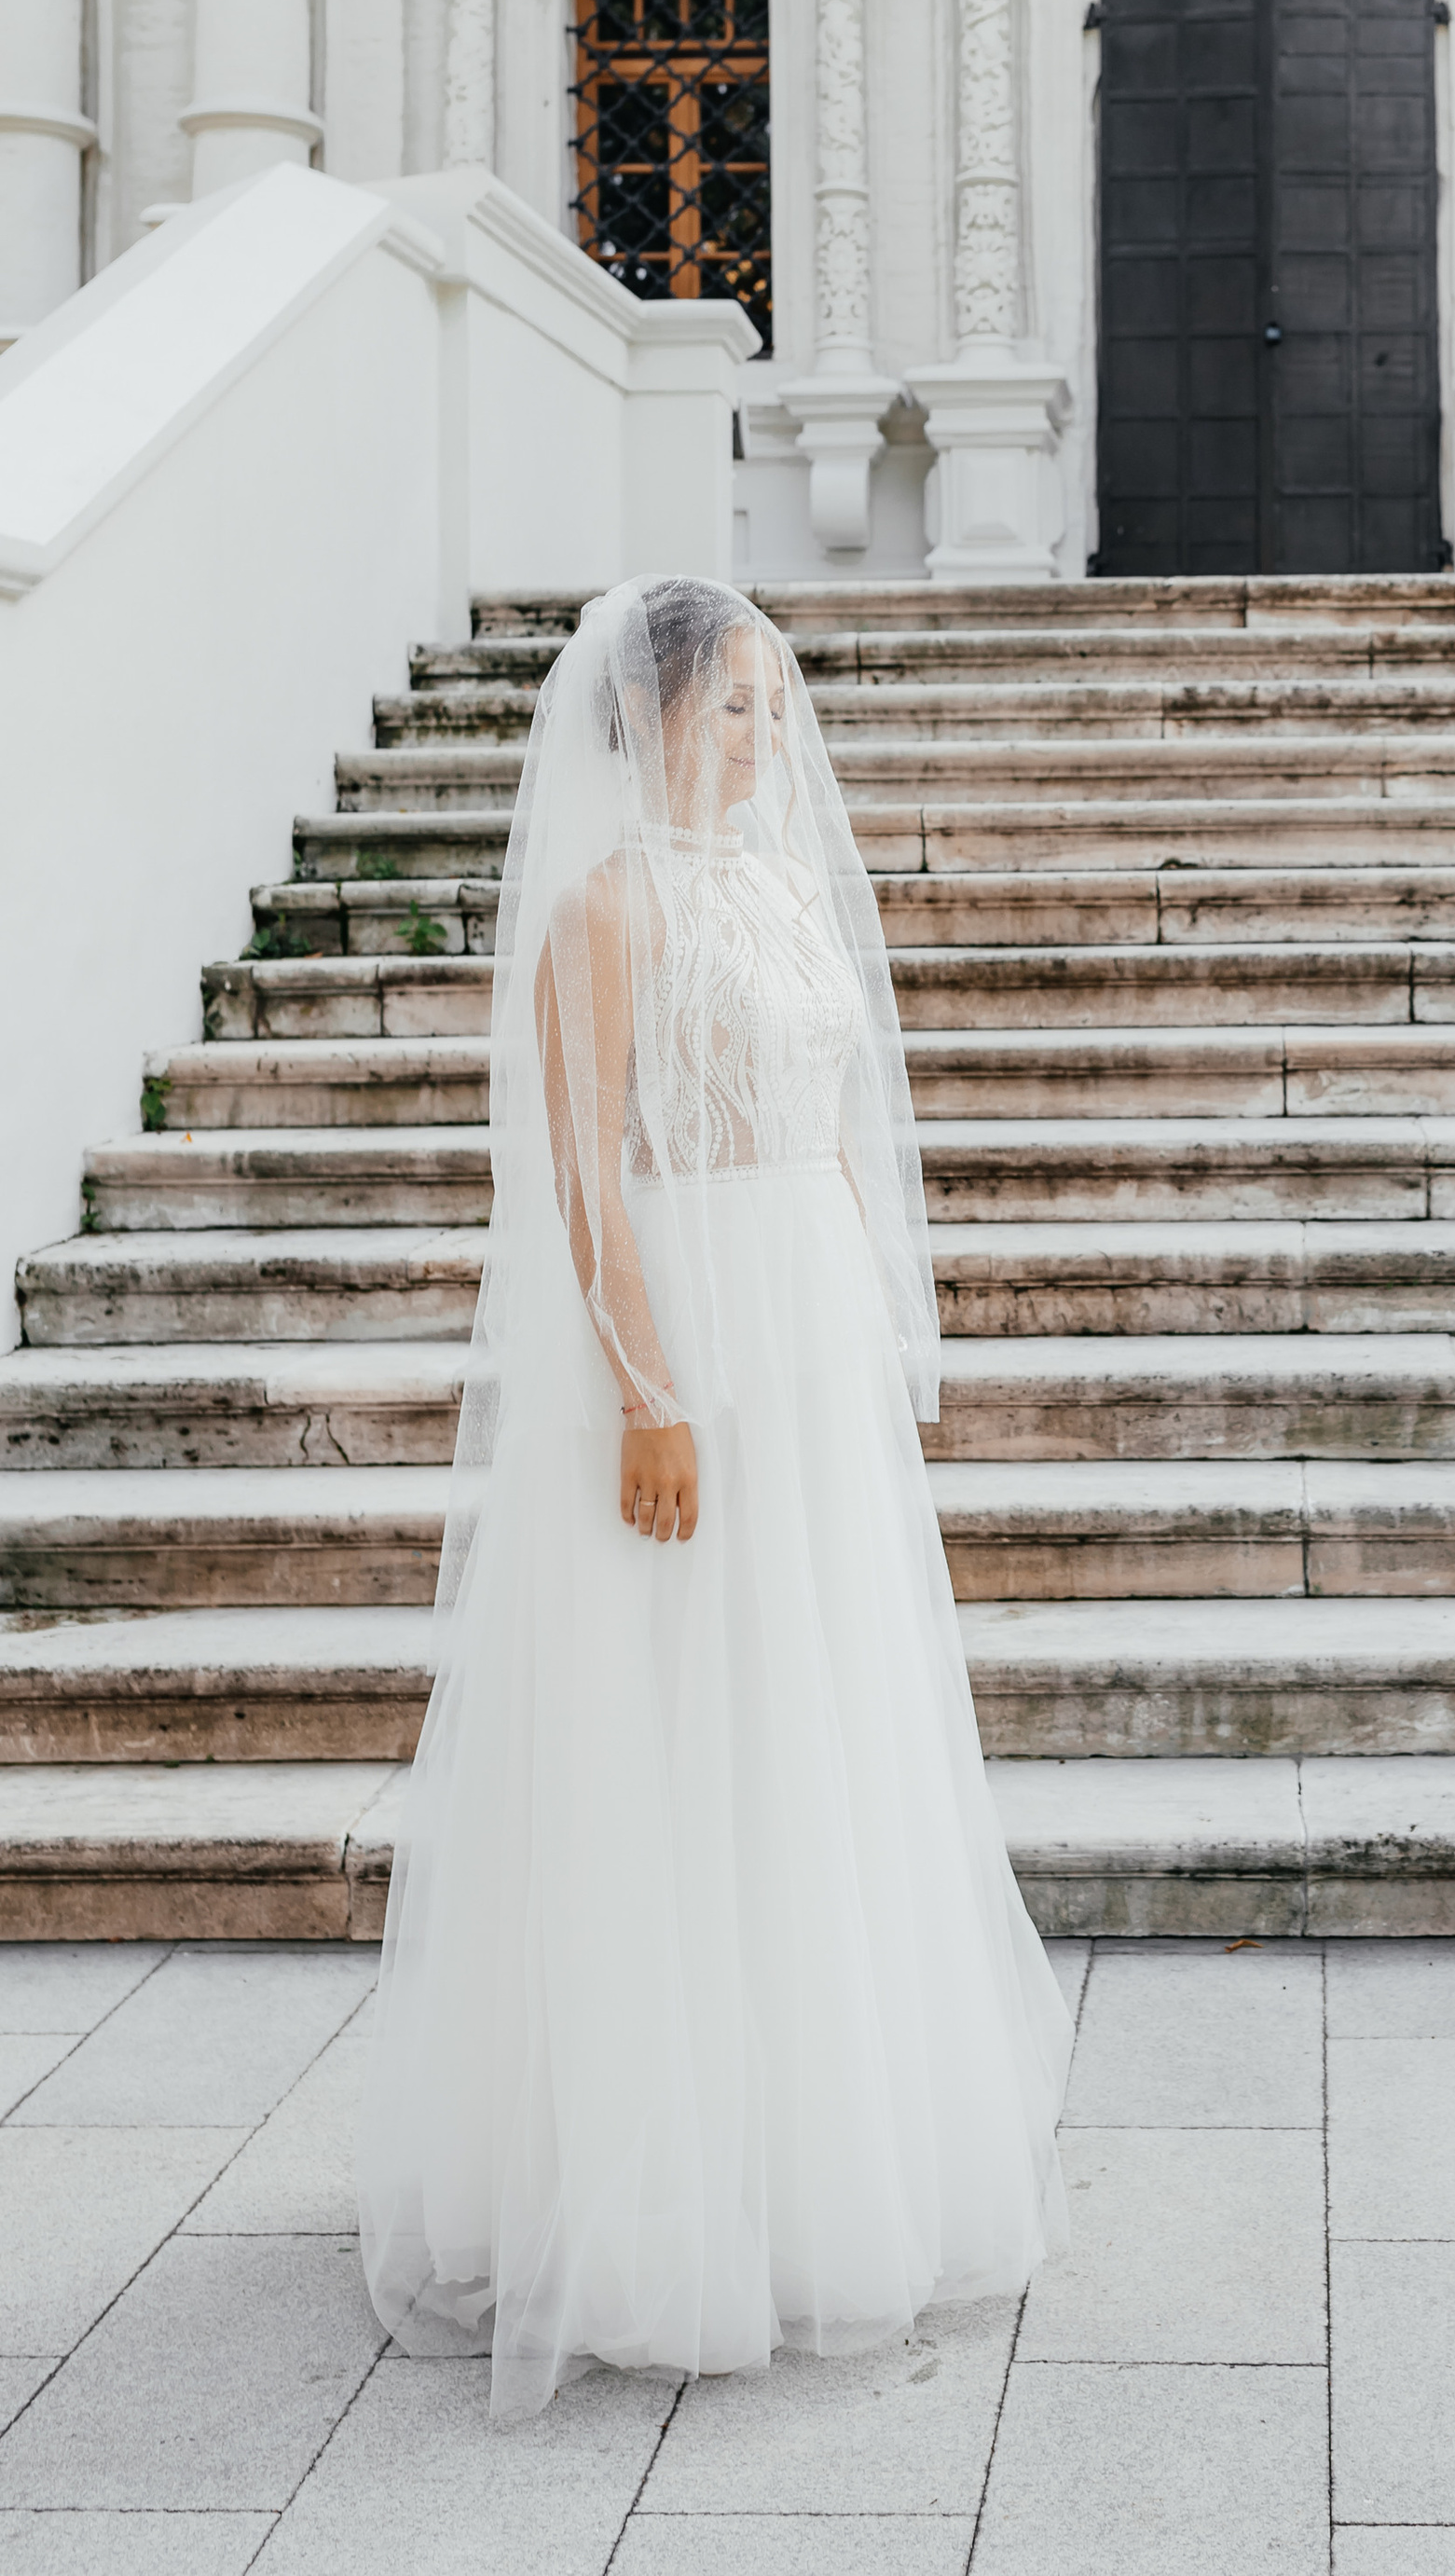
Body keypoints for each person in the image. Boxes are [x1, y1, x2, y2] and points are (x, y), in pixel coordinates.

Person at [355, 575, 1070, 2422]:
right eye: (730, 708)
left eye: (774, 707)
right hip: (682, 1331)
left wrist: (863, 1342)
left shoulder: (775, 891)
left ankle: (825, 2141)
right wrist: (647, 1396)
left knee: (815, 1723)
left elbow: (835, 1130)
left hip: (807, 1348)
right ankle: (650, 2180)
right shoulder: (600, 915)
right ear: (644, 716)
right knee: (677, 1717)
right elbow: (581, 1180)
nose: (762, 739)